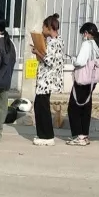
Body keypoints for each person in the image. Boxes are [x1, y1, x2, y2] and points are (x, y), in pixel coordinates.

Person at [67, 22, 99, 146]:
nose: (83, 36)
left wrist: (73, 59)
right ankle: (84, 135)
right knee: (86, 107)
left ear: (86, 33)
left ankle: (79, 135)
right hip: (92, 80)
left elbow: (80, 62)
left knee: (74, 107)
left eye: (83, 33)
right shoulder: (97, 45)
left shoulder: (87, 44)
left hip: (82, 80)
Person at [32, 13, 64, 146]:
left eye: (43, 27)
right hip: (48, 79)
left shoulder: (53, 43)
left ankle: (47, 136)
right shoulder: (59, 41)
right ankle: (43, 134)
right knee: (40, 106)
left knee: (42, 108)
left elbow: (49, 60)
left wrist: (37, 52)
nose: (42, 30)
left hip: (46, 80)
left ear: (48, 27)